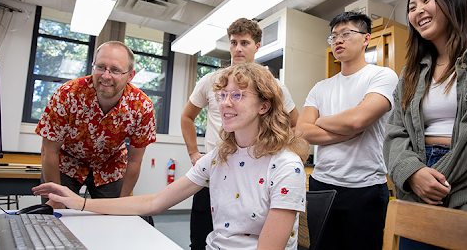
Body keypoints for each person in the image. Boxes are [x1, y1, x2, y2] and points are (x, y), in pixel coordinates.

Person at [34, 63, 309, 250]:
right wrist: (80, 203)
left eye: (237, 95)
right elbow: (154, 201)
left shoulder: (285, 166)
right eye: (223, 94)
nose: (225, 103)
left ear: (264, 105)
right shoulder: (218, 158)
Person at [383, 0, 467, 250]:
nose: (418, 11)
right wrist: (412, 173)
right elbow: (394, 132)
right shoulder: (411, 71)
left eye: (427, 0)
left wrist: (436, 180)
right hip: (419, 183)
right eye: (411, 7)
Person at [180, 17, 299, 249]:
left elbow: (295, 123)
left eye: (244, 43)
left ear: (257, 46)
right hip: (213, 172)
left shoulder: (272, 86)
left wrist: (279, 153)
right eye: (233, 42)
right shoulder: (211, 81)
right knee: (200, 240)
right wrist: (194, 153)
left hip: (252, 176)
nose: (237, 48)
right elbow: (187, 117)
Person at [296, 11, 399, 250]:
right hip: (321, 185)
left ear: (366, 39)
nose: (338, 40)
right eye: (333, 36)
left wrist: (320, 121)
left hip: (365, 188)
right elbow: (301, 130)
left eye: (346, 33)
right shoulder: (321, 87)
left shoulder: (382, 76)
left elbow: (357, 121)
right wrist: (348, 128)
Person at [36, 41, 156, 209]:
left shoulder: (142, 107)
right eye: (100, 67)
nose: (106, 76)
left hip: (111, 165)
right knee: (57, 216)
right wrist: (56, 198)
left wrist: (123, 203)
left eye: (115, 70)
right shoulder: (67, 94)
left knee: (114, 218)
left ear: (130, 76)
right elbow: (49, 150)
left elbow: (135, 160)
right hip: (67, 161)